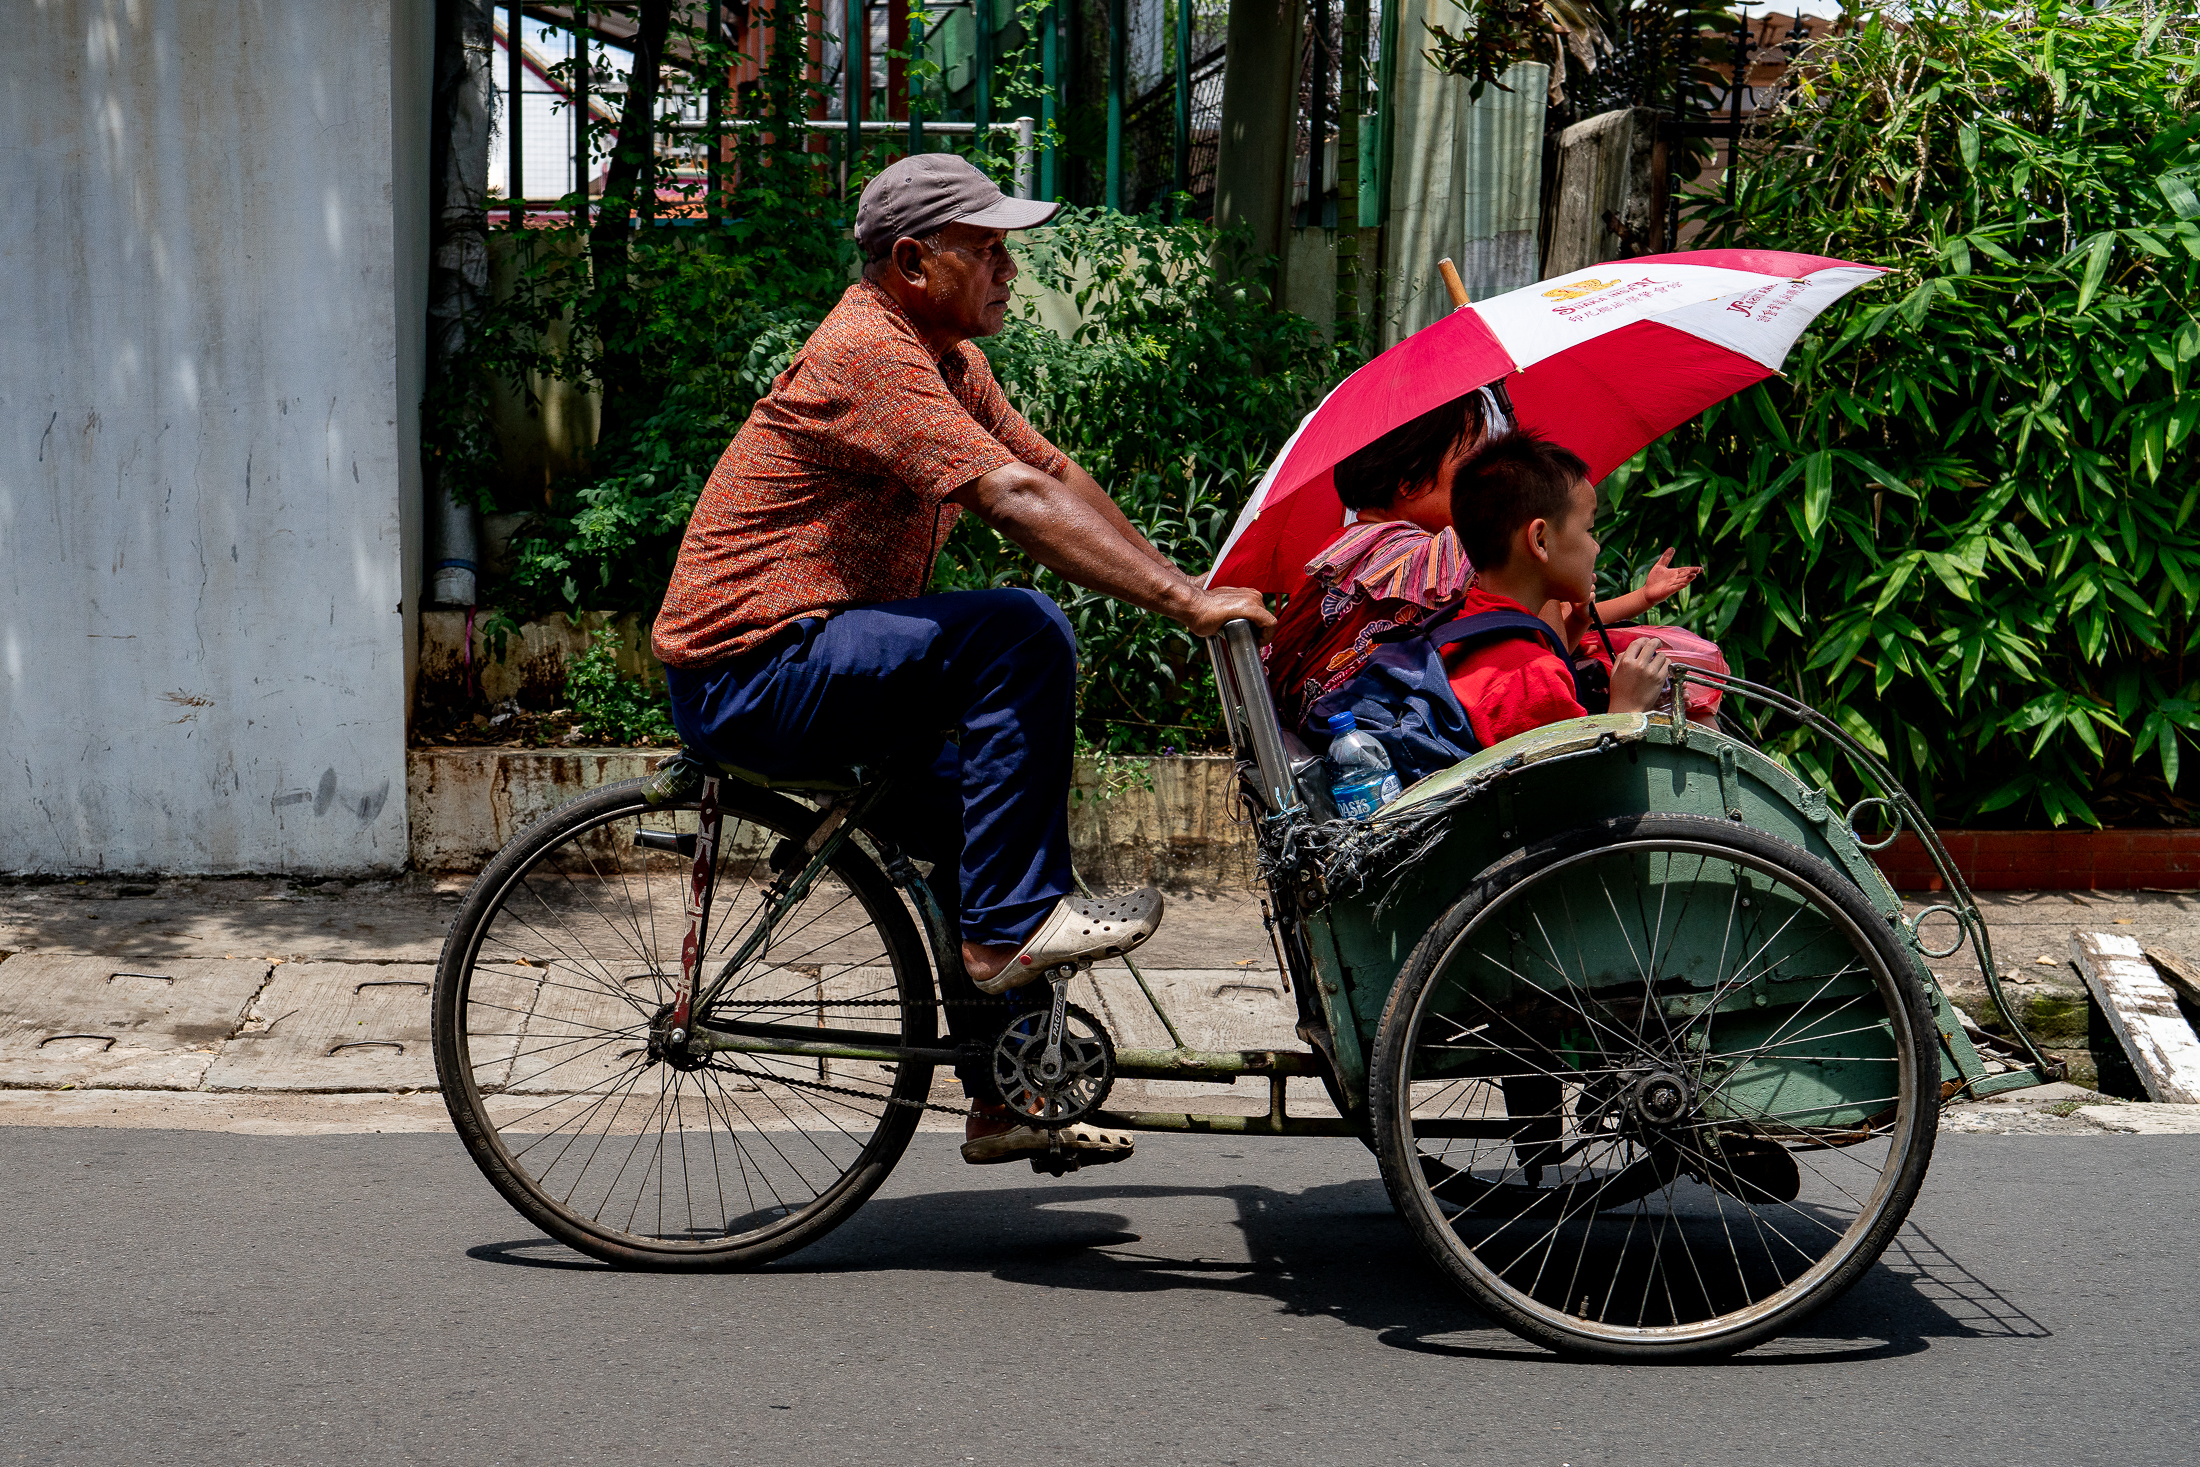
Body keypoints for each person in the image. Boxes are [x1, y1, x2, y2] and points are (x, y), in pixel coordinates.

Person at [650, 153, 1272, 1168]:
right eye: (985, 250)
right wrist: (1178, 603)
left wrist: (1189, 588)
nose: (1008, 271)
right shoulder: (868, 352)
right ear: (910, 261)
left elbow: (1050, 474)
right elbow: (1011, 502)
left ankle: (1006, 1096)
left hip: (813, 654)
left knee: (985, 818)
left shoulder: (947, 362)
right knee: (1020, 631)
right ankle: (1004, 932)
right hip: (749, 671)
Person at [1262, 391, 1702, 745]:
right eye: (1472, 457)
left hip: (1334, 742)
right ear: (1409, 482)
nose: (1485, 471)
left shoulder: (1338, 549)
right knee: (1683, 672)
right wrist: (1624, 716)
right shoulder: (1439, 558)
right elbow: (1543, 648)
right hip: (1404, 745)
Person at [1444, 432, 1676, 748]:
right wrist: (1628, 708)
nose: (1595, 547)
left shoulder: (1469, 622)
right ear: (1540, 540)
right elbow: (1580, 792)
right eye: (1588, 530)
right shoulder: (1532, 680)